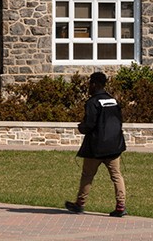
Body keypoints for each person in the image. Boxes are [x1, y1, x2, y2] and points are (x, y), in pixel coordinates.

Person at [64, 71, 128, 217]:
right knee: (117, 176)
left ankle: (80, 204)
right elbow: (119, 121)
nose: (89, 87)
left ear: (94, 84)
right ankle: (121, 206)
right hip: (114, 146)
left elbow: (90, 124)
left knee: (87, 175)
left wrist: (81, 127)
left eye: (90, 84)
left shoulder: (92, 102)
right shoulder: (113, 101)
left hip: (96, 147)